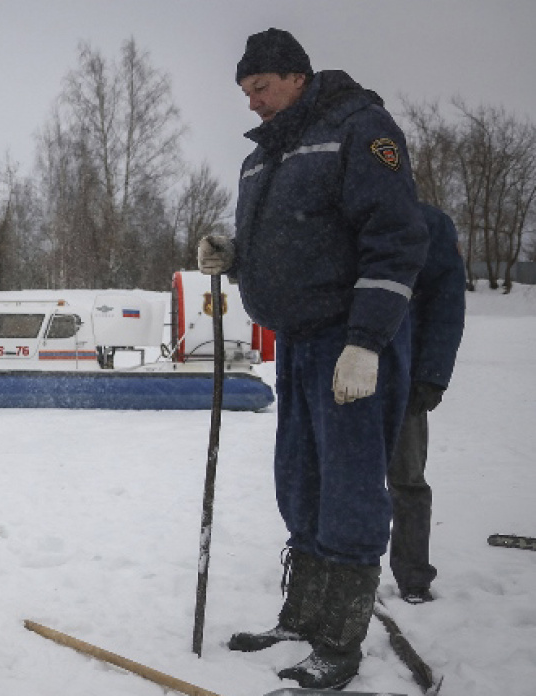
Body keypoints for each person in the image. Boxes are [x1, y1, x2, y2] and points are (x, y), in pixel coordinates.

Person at [198, 28, 428, 690]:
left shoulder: (359, 130)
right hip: (296, 343)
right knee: (300, 480)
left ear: (297, 77)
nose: (252, 102)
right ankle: (301, 616)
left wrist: (366, 342)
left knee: (350, 485)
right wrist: (234, 255)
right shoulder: (265, 155)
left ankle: (339, 641)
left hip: (347, 340)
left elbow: (394, 237)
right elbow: (294, 241)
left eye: (261, 88)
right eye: (245, 92)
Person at [390, 203, 466, 605]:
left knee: (407, 480)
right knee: (336, 479)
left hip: (405, 375)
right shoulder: (339, 212)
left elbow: (446, 304)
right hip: (339, 369)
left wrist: (432, 373)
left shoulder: (429, 224)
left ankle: (413, 576)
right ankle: (339, 572)